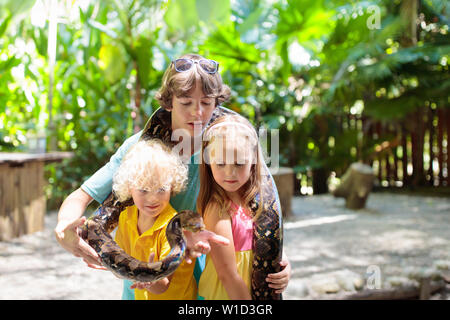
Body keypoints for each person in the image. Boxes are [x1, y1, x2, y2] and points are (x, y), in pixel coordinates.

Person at [54, 53, 290, 300]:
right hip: (146, 289)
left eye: (207, 102)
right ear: (169, 102)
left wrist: (280, 259)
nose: (197, 112)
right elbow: (80, 197)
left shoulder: (234, 147)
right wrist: (63, 227)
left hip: (208, 288)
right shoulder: (141, 150)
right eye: (186, 102)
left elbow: (261, 213)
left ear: (217, 103)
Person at [197, 115, 287, 299]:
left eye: (239, 163)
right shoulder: (217, 208)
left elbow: (271, 244)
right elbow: (227, 275)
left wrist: (285, 266)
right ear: (208, 163)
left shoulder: (256, 201)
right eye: (221, 164)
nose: (230, 173)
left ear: (253, 160)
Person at [111, 139, 196, 299]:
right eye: (144, 190)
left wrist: (150, 279)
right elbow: (119, 267)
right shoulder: (126, 217)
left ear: (172, 186)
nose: (152, 199)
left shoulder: (173, 227)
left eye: (161, 189)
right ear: (130, 187)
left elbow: (162, 287)